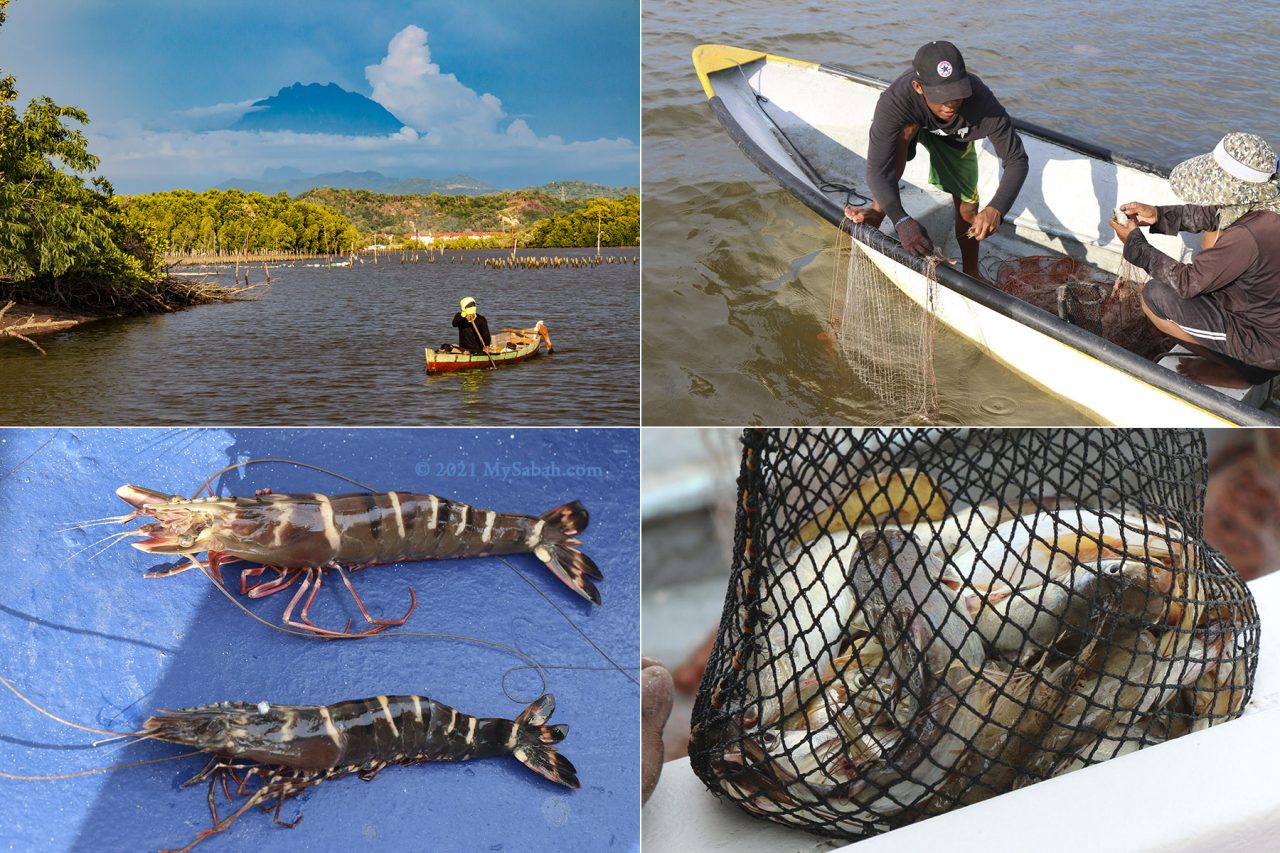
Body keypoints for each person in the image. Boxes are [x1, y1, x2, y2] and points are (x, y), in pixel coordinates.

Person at [1109, 132, 1280, 388]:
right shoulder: (1268, 201)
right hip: (1267, 314)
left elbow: (1186, 282)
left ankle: (1245, 371)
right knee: (1214, 237)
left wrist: (1135, 244)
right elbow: (1215, 212)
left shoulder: (1247, 236)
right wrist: (1159, 215)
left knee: (1154, 296)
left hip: (1265, 345)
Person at [845, 40, 1029, 279]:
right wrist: (901, 221)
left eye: (957, 93)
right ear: (918, 87)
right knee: (904, 132)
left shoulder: (981, 101)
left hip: (955, 136)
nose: (951, 103)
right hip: (910, 124)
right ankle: (878, 210)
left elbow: (1017, 159)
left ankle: (972, 272)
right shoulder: (895, 101)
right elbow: (877, 170)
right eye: (941, 96)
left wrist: (997, 208)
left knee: (968, 205)